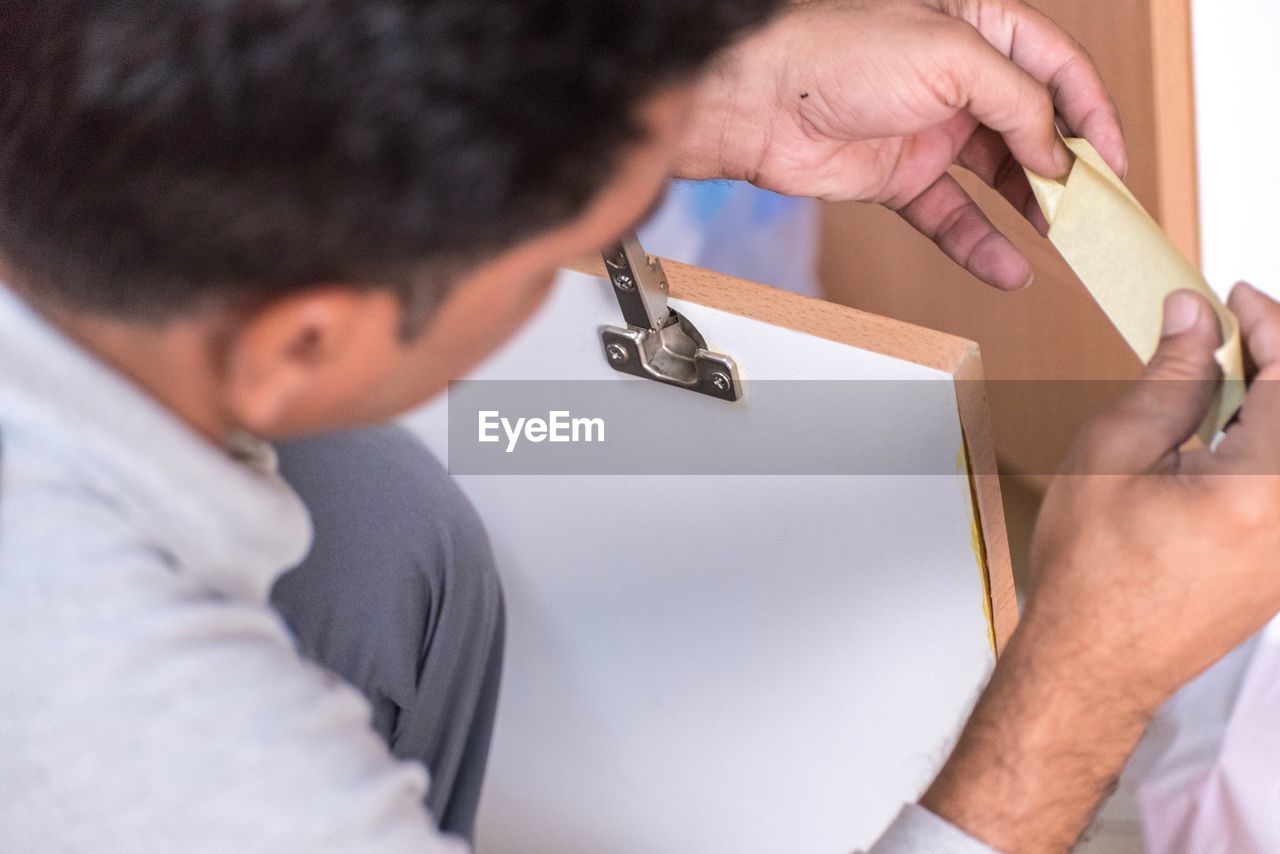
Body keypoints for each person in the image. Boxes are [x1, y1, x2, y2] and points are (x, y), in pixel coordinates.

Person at [0, 2, 1275, 853]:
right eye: (567, 249)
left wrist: (698, 94)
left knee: (383, 538)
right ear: (307, 339)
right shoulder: (141, 737)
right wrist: (1086, 675)